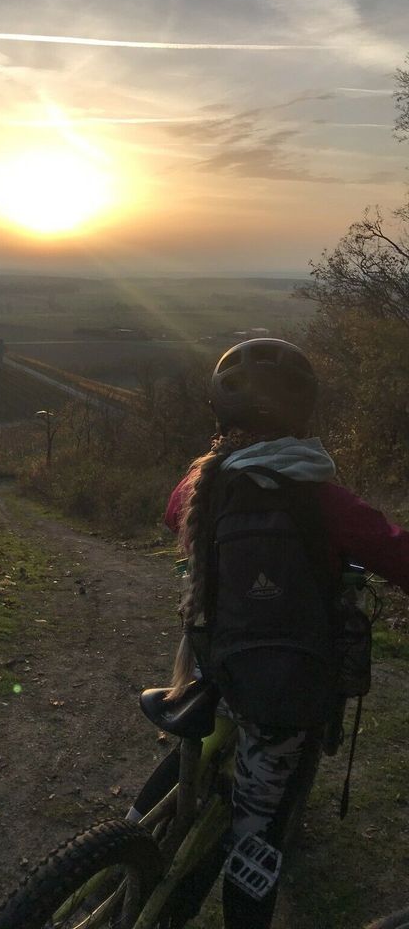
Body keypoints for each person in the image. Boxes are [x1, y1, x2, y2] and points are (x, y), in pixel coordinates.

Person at [163, 338, 409, 929]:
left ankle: (148, 839)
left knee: (200, 741)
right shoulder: (321, 495)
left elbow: (176, 516)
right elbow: (397, 554)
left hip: (209, 661)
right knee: (259, 834)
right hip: (280, 684)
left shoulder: (203, 483)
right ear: (301, 412)